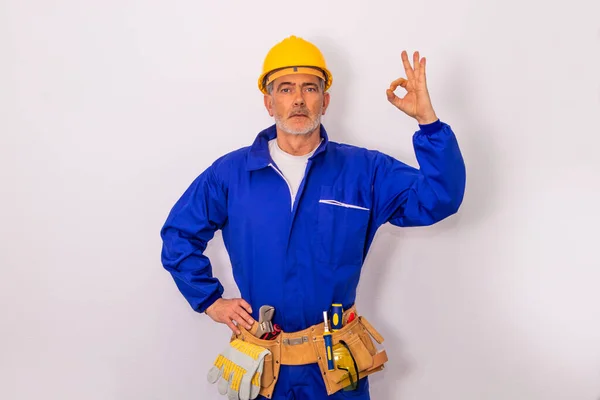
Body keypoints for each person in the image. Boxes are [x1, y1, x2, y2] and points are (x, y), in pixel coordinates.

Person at [160, 35, 466, 400]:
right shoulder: (230, 175)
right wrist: (210, 300)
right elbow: (179, 234)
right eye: (285, 89)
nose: (299, 99)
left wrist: (428, 124)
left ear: (326, 99)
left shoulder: (364, 171)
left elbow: (440, 198)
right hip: (263, 371)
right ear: (268, 101)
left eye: (310, 87)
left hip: (336, 371)